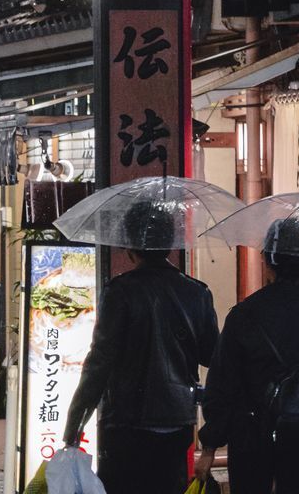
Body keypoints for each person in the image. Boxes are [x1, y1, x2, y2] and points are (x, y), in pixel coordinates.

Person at [62, 202, 219, 494]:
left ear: (130, 246)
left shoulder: (119, 291)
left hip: (125, 420)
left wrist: (76, 422)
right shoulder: (197, 293)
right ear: (169, 245)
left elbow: (100, 362)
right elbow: (212, 355)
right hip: (176, 419)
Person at [196, 218, 299, 494]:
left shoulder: (245, 315)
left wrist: (209, 447)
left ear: (267, 261)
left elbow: (223, 386)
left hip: (251, 438)